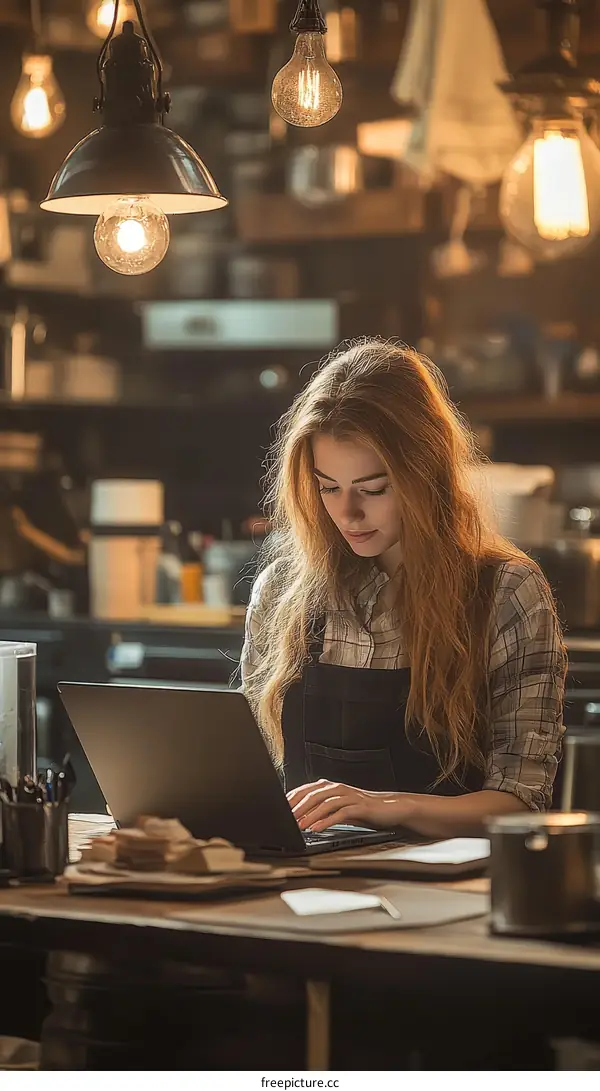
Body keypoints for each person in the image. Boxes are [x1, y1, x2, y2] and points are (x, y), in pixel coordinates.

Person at [240, 338, 567, 839]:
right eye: (329, 487)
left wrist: (385, 806)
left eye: (373, 489)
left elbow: (521, 803)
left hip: (447, 896)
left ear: (426, 473)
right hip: (307, 890)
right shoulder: (284, 592)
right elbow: (250, 778)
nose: (347, 513)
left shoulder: (504, 591)